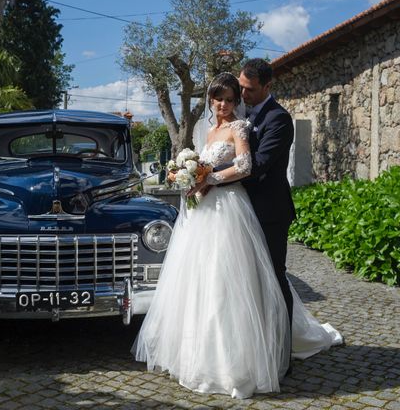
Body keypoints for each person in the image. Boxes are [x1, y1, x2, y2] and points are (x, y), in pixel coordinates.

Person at [132, 72, 342, 399]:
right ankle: (198, 352)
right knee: (202, 279)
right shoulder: (209, 129)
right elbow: (206, 164)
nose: (224, 104)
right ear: (211, 100)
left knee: (236, 279)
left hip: (231, 208)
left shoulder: (240, 127)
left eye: (231, 99)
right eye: (219, 98)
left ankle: (257, 355)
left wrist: (209, 178)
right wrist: (189, 176)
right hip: (204, 210)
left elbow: (245, 165)